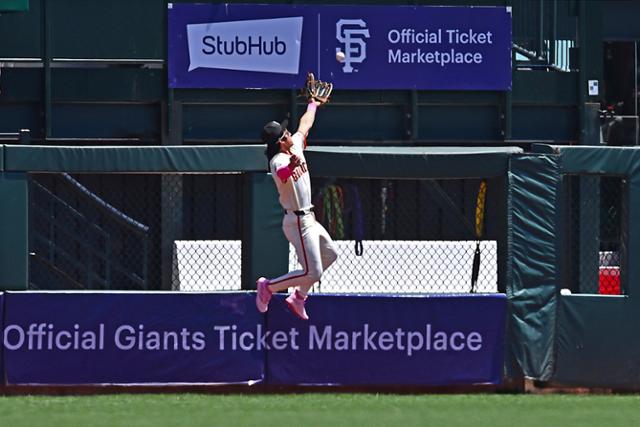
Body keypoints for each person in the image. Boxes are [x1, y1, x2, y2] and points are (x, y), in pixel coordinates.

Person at [255, 99, 338, 320]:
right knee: (313, 272)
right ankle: (268, 287)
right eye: (286, 134)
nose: (291, 134)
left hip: (309, 218)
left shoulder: (295, 146)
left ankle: (298, 297)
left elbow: (305, 125)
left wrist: (313, 105)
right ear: (281, 141)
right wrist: (292, 164)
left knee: (330, 255)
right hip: (297, 222)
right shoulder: (278, 160)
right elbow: (282, 173)